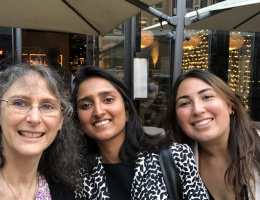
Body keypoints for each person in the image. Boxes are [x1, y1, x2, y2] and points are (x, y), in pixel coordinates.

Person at [72, 66, 210, 199]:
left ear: (126, 106)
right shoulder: (74, 174)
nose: (98, 111)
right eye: (86, 105)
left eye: (108, 100)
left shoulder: (175, 156)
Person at [0, 64, 82, 199]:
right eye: (19, 103)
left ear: (61, 121)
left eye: (47, 106)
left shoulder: (66, 191)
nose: (34, 118)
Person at [164, 69, 260, 200]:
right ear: (177, 118)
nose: (198, 110)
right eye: (185, 103)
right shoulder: (170, 163)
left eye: (207, 97)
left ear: (229, 105)